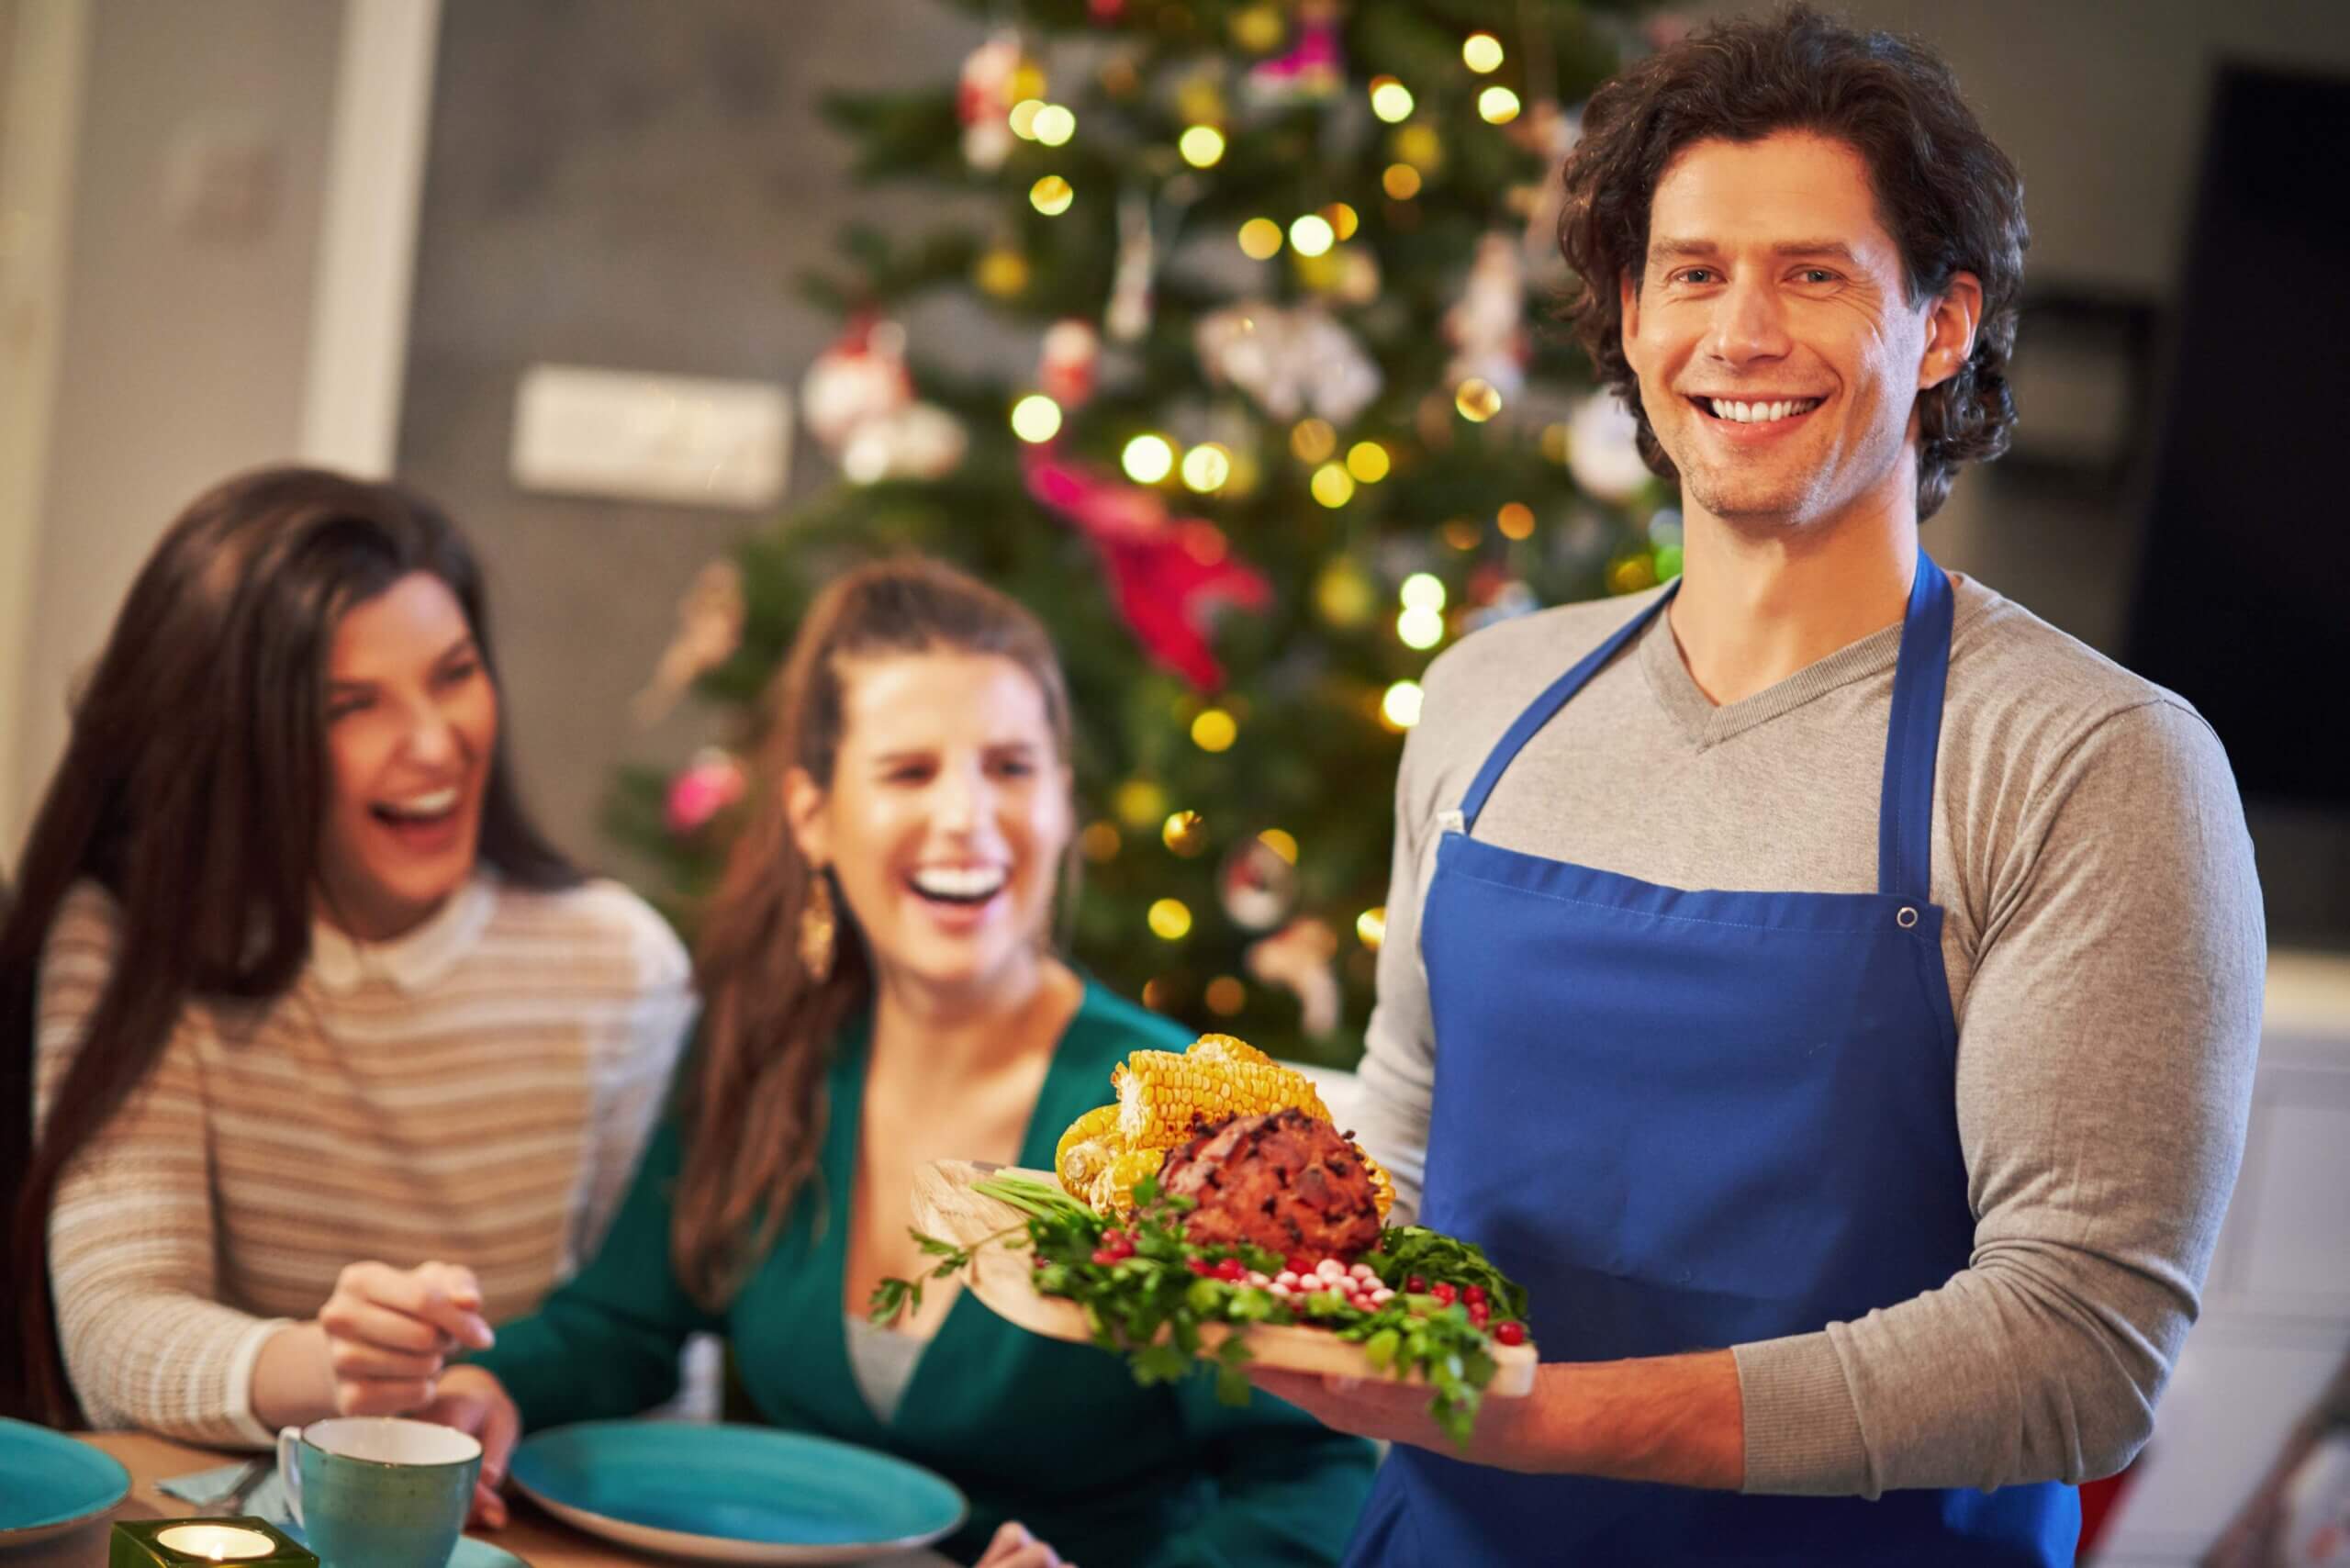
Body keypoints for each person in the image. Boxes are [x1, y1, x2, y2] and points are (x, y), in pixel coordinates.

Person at [1247, 10, 2266, 1565]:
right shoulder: (1487, 700)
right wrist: (1242, 1274)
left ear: (1940, 326)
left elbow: (2080, 1348)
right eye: (1692, 270)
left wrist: (1539, 1417)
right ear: (1632, 315)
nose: (1739, 333)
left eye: (1815, 272)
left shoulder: (2092, 762)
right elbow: (1406, 1133)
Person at [334, 560, 1375, 1566]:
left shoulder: (1170, 1118)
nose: (966, 815)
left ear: (1062, 804)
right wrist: (495, 1387)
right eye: (909, 771)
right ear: (813, 814)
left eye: (1010, 767)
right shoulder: (763, 1049)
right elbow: (626, 1324)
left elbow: (1309, 1478)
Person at [0, 466, 694, 1446]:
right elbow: (118, 1332)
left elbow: (656, 1359)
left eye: (454, 674)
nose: (433, 742)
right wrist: (332, 1368)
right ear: (240, 738)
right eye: (350, 704)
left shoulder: (623, 966)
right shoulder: (133, 938)